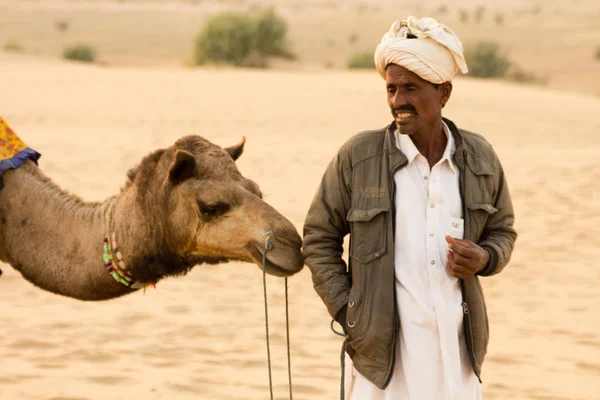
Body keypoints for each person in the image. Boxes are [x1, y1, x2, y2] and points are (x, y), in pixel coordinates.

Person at [302, 16, 517, 400]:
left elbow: (503, 231)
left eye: (411, 88)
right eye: (391, 88)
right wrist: (350, 313)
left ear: (444, 91)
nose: (397, 101)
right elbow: (319, 239)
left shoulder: (480, 158)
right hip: (382, 365)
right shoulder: (358, 157)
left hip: (457, 359)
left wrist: (484, 258)